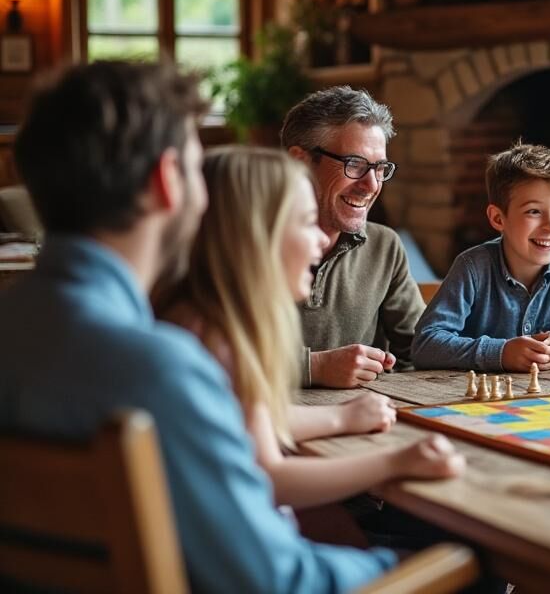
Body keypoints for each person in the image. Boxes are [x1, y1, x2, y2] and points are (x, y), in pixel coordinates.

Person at [1, 62, 397, 591]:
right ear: (168, 182)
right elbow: (274, 578)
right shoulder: (162, 367)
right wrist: (439, 563)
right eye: (196, 169)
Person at [156, 146, 464, 510]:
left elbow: (250, 421)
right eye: (305, 222)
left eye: (380, 168)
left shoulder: (195, 321)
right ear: (256, 236)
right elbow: (269, 477)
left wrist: (341, 416)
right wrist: (396, 462)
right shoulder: (216, 342)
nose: (321, 239)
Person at [412, 143, 550, 371]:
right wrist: (500, 353)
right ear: (498, 219)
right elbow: (425, 344)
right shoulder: (472, 267)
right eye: (534, 211)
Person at [281, 86, 423, 388]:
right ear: (300, 162)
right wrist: (314, 367)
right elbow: (212, 360)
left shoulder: (385, 246)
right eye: (354, 164)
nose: (371, 185)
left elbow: (423, 351)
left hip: (361, 423)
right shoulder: (243, 243)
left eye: (380, 168)